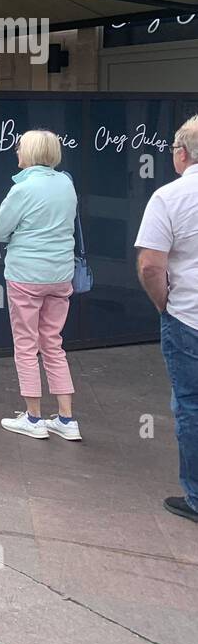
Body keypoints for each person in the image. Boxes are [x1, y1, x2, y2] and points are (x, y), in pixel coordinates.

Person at [0, 130, 81, 441]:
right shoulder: (66, 184)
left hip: (26, 273)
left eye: (19, 148)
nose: (16, 152)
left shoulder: (23, 189)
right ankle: (67, 418)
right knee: (53, 343)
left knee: (26, 345)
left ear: (29, 153)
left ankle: (33, 417)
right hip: (60, 273)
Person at [135, 113, 198, 523]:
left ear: (181, 154)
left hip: (188, 316)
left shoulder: (170, 197)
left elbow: (150, 267)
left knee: (191, 404)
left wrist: (163, 304)